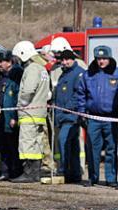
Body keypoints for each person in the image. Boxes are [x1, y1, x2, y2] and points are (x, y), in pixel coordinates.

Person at [76, 45, 118, 187]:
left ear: (109, 58)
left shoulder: (116, 74)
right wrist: (82, 113)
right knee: (93, 148)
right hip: (93, 118)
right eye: (99, 59)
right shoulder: (88, 75)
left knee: (111, 149)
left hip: (111, 118)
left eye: (104, 59)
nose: (101, 62)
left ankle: (111, 178)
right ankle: (93, 177)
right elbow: (81, 94)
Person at [10, 41, 50, 183]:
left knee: (27, 144)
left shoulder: (32, 68)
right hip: (39, 114)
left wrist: (21, 104)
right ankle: (35, 172)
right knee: (37, 144)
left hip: (29, 114)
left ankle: (29, 173)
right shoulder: (42, 69)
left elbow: (28, 90)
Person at [53, 50, 84, 184]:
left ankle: (65, 170)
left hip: (71, 116)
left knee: (63, 140)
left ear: (73, 59)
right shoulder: (63, 74)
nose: (64, 62)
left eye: (67, 60)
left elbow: (79, 94)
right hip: (62, 116)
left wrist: (67, 108)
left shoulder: (78, 73)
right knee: (73, 145)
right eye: (63, 60)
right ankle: (75, 174)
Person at [0, 51, 23, 181]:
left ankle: (14, 171)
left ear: (9, 62)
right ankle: (4, 170)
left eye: (2, 62)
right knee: (2, 145)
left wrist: (14, 117)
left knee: (12, 145)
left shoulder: (16, 76)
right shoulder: (1, 76)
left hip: (10, 117)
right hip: (1, 117)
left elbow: (17, 97)